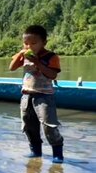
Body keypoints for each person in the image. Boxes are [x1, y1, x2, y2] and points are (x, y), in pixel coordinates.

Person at [9, 25, 64, 163]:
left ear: (44, 42)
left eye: (33, 43)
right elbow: (11, 68)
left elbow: (52, 74)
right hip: (27, 95)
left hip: (44, 96)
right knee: (28, 125)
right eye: (26, 43)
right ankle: (36, 152)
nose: (29, 46)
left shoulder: (51, 57)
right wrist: (21, 54)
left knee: (49, 126)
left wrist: (37, 62)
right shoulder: (24, 54)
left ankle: (57, 153)